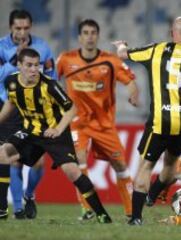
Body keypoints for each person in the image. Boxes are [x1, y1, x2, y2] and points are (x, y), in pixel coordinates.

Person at [113, 16, 181, 225]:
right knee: (170, 165)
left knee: (145, 167)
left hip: (160, 122)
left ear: (171, 34)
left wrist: (122, 45)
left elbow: (123, 55)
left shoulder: (156, 50)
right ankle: (154, 193)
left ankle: (136, 217)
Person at [0, 48, 111, 223]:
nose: (34, 69)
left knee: (72, 172)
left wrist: (58, 129)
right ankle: (2, 210)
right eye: (29, 65)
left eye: (37, 65)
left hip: (55, 133)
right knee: (3, 153)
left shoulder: (49, 85)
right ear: (19, 66)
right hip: (31, 131)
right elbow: (11, 102)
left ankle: (102, 214)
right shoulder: (11, 82)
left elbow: (71, 108)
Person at [57, 19, 139, 220]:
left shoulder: (110, 61)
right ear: (79, 37)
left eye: (93, 32)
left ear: (98, 36)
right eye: (85, 32)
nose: (90, 36)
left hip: (104, 124)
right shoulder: (66, 60)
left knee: (120, 165)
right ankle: (87, 210)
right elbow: (50, 80)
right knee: (79, 158)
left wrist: (133, 94)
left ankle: (131, 212)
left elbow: (130, 81)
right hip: (78, 122)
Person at [0, 9, 57, 219]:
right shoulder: (1, 47)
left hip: (36, 109)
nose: (22, 32)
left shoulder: (42, 47)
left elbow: (52, 76)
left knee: (38, 163)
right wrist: (16, 56)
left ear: (30, 27)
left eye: (25, 28)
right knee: (12, 158)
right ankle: (18, 209)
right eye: (18, 28)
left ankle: (29, 195)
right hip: (9, 106)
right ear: (10, 28)